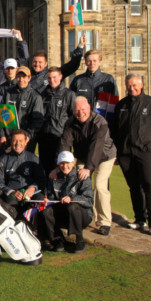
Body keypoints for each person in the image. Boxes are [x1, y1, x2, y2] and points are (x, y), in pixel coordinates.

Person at [110, 73, 151, 236]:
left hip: (145, 152)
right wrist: (115, 152)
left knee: (149, 186)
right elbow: (114, 131)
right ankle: (140, 219)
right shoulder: (121, 105)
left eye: (135, 85)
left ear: (141, 85)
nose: (132, 88)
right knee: (134, 187)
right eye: (129, 85)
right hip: (125, 153)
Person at [57, 96, 117, 236]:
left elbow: (96, 147)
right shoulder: (70, 123)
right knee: (76, 183)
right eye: (77, 110)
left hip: (104, 156)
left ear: (89, 108)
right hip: (83, 156)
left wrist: (88, 169)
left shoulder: (100, 122)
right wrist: (60, 164)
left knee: (100, 186)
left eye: (83, 109)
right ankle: (84, 217)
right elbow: (65, 144)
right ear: (73, 110)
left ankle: (104, 222)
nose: (80, 112)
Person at [39, 151, 94, 253]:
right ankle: (58, 240)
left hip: (82, 216)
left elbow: (89, 200)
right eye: (62, 163)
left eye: (68, 163)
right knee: (46, 211)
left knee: (72, 206)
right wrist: (48, 200)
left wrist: (72, 199)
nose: (65, 166)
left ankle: (79, 239)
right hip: (63, 215)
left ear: (73, 163)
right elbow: (52, 197)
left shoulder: (82, 176)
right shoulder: (53, 177)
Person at [0, 129, 45, 218]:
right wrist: (12, 192)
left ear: (26, 141)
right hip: (12, 194)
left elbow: (41, 180)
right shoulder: (2, 159)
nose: (17, 143)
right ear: (11, 142)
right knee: (9, 205)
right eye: (14, 140)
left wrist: (32, 188)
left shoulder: (34, 158)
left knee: (41, 201)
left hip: (31, 193)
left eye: (21, 140)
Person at [38, 67, 76, 174]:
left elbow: (72, 117)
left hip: (61, 138)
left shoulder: (69, 94)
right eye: (49, 78)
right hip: (45, 138)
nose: (52, 80)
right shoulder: (43, 95)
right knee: (45, 169)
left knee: (60, 168)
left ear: (60, 77)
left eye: (54, 77)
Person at [0, 66, 43, 151]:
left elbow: (37, 121)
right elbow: (0, 115)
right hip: (9, 138)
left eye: (24, 77)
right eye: (18, 77)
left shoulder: (35, 97)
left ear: (29, 78)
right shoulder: (8, 93)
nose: (21, 79)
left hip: (26, 140)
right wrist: (2, 135)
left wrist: (28, 136)